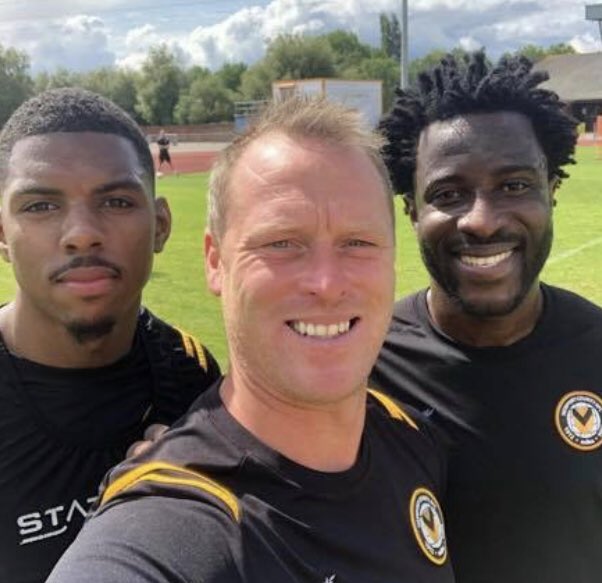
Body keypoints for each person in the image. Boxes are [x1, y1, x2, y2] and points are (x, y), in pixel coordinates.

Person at [48, 98, 454, 583]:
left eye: (358, 243)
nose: (326, 282)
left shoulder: (411, 440)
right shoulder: (169, 530)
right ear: (215, 261)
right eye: (281, 243)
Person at [370, 51, 602, 583]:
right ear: (411, 210)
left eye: (515, 186)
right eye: (449, 194)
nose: (482, 220)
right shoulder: (360, 366)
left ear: (552, 192)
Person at [0, 88, 221, 583]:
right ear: (1, 234)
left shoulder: (194, 375)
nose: (81, 233)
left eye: (117, 201)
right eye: (40, 206)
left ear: (160, 226)